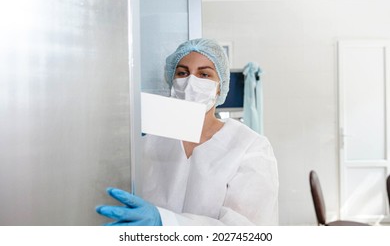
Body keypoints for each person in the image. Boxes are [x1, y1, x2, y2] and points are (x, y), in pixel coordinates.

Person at [96, 38, 279, 226]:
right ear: (171, 81)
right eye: (182, 73)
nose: (191, 82)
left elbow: (249, 230)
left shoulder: (250, 146)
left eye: (204, 75)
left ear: (220, 86)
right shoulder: (148, 143)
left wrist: (165, 223)